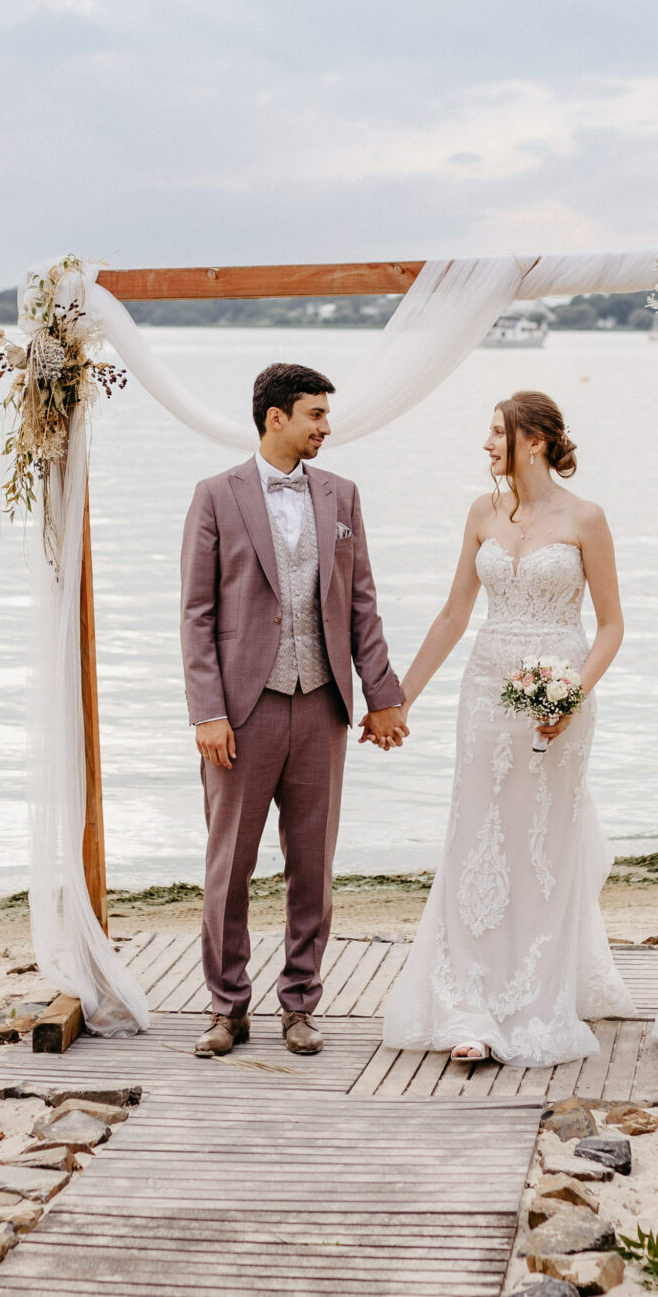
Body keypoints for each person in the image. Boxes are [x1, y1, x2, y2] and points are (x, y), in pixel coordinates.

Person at [378, 390, 640, 1066]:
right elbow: (452, 616)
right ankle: (468, 1000)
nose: (488, 444)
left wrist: (572, 697)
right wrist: (397, 699)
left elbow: (611, 624)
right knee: (477, 839)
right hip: (485, 694)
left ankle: (532, 998)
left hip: (559, 695)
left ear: (536, 440)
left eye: (498, 433)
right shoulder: (481, 512)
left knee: (542, 845)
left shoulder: (586, 518)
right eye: (489, 432)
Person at [180, 362, 411, 1058]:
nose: (326, 427)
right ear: (275, 416)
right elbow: (196, 615)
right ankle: (226, 1006)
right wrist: (206, 712)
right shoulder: (216, 496)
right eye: (315, 414)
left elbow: (360, 603)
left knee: (311, 867)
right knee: (230, 865)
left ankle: (300, 1004)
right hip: (242, 713)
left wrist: (384, 695)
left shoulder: (342, 497)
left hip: (321, 706)